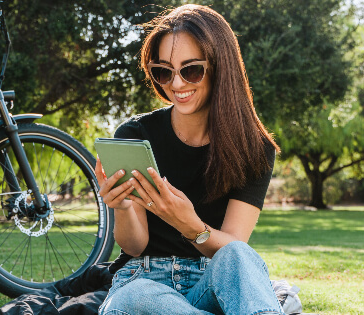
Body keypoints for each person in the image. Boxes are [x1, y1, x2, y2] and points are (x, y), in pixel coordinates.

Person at [95, 4, 282, 315]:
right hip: (143, 277)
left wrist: (190, 225)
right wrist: (124, 206)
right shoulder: (135, 133)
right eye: (163, 71)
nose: (177, 84)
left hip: (209, 281)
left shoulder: (254, 147)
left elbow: (233, 249)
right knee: (133, 296)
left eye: (191, 69)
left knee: (237, 255)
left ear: (219, 66)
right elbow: (133, 246)